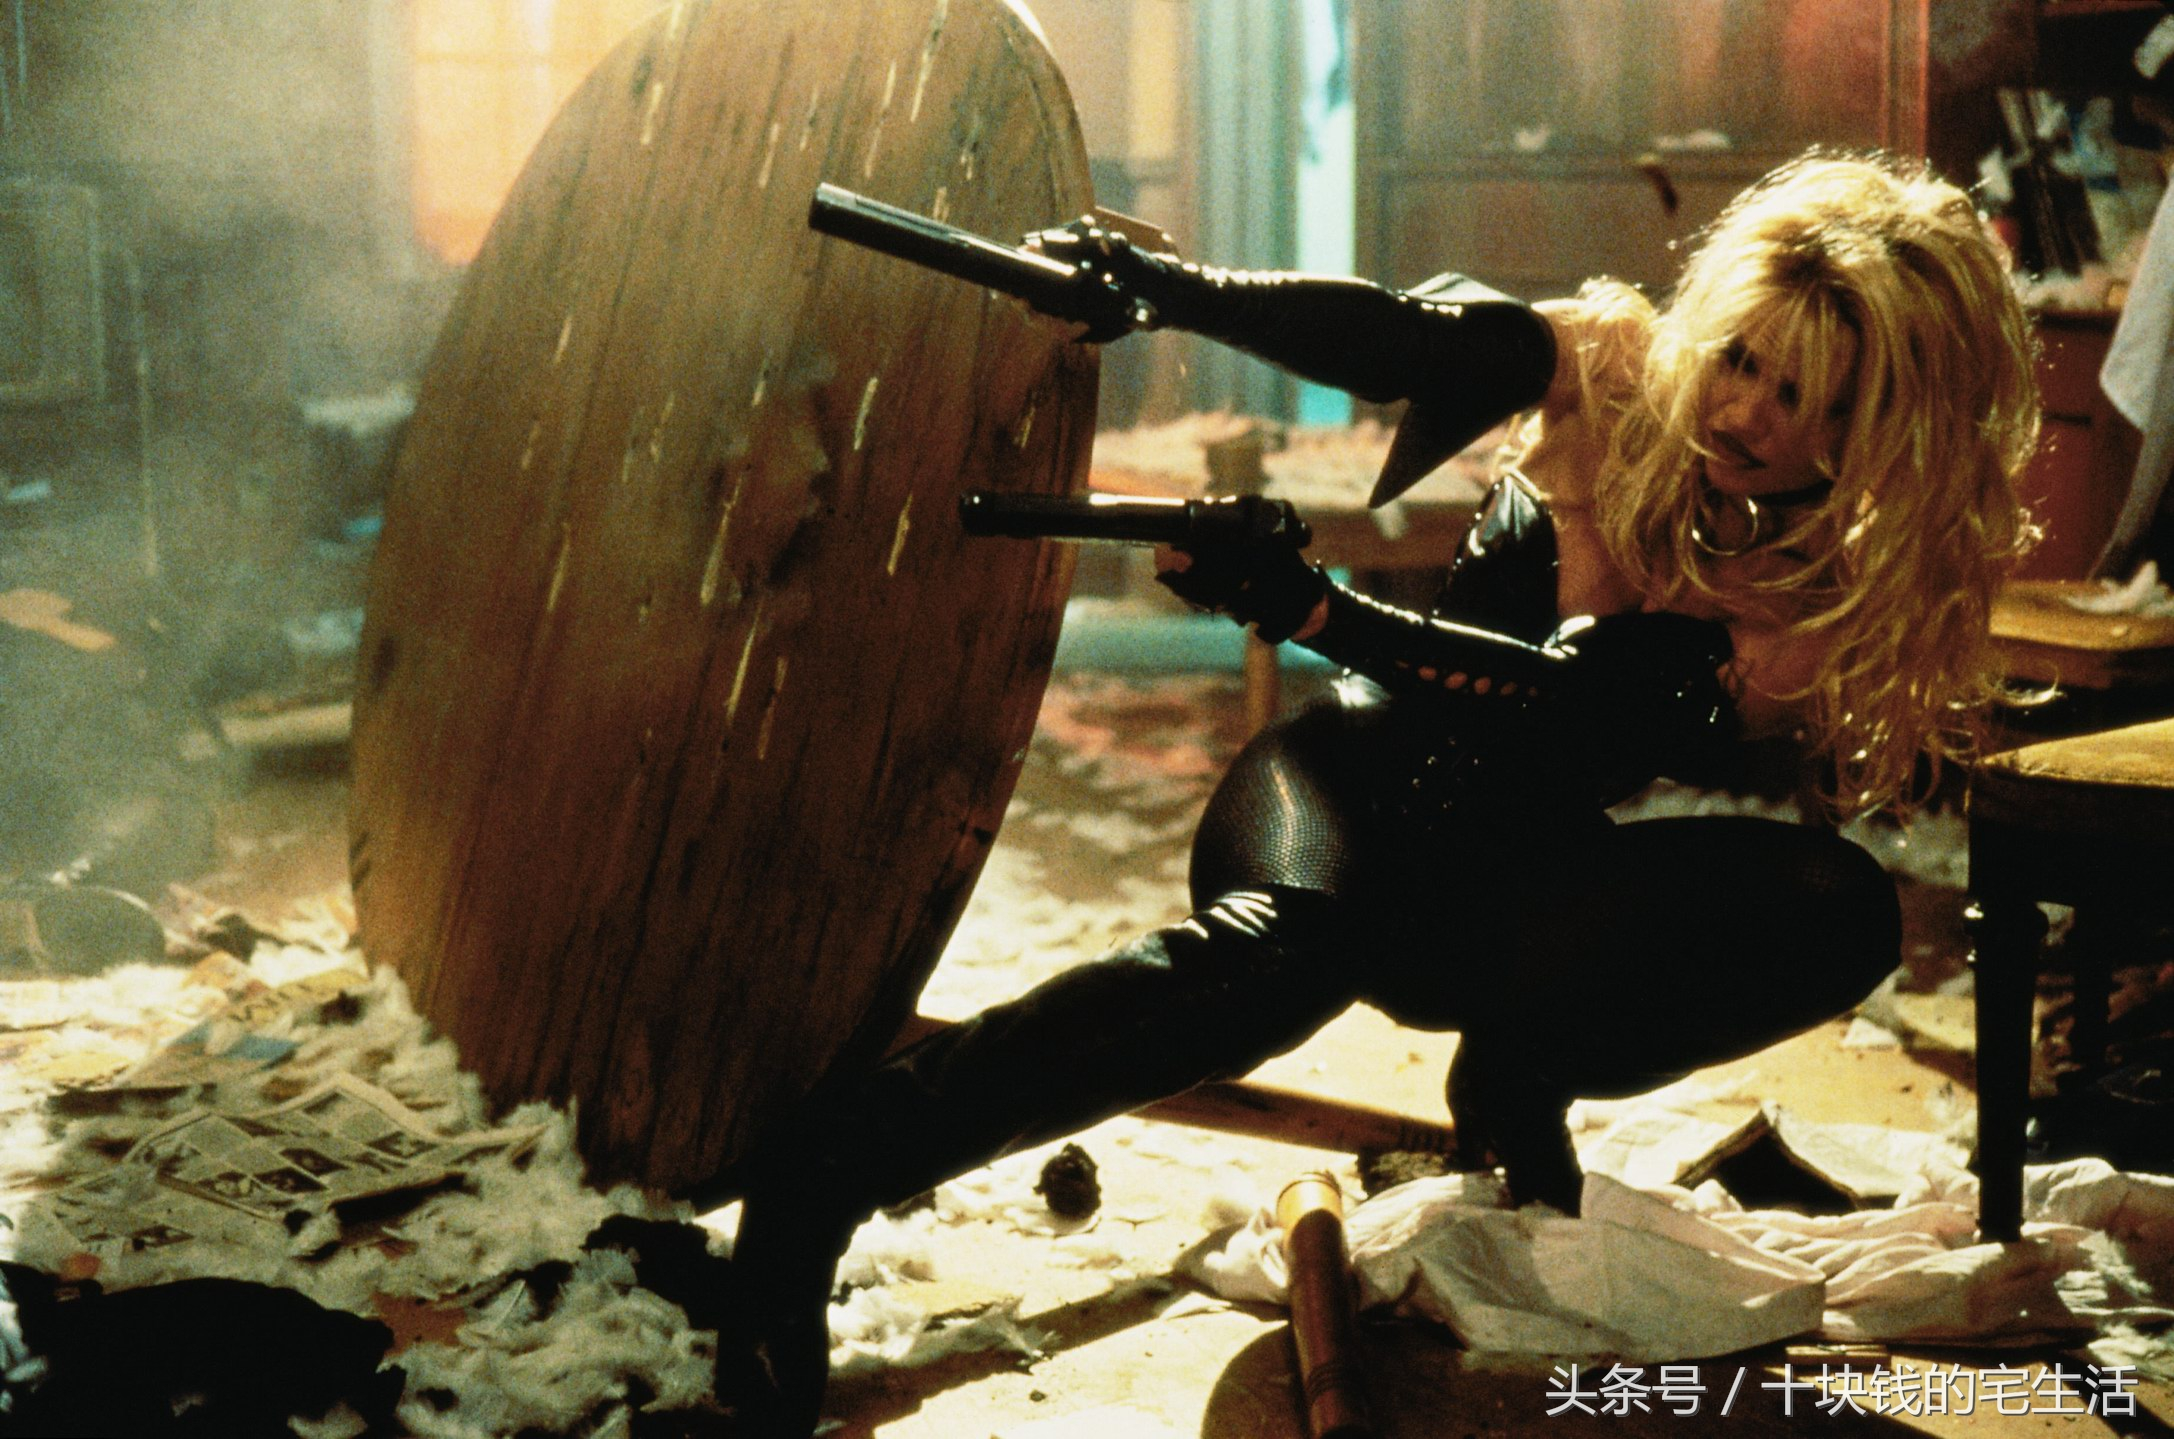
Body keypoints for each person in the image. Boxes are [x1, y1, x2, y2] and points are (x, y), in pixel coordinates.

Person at [709, 149, 2042, 1434]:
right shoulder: (1618, 369)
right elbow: (1405, 340)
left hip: (1509, 896)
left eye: (1806, 401)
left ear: (1874, 431)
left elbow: (1562, 696)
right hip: (1342, 793)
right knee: (1282, 959)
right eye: (1743, 360)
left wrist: (1315, 609)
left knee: (1837, 907)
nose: (1747, 413)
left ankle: (1516, 1076)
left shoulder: (1808, 600)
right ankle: (826, 1173)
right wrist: (1163, 290)